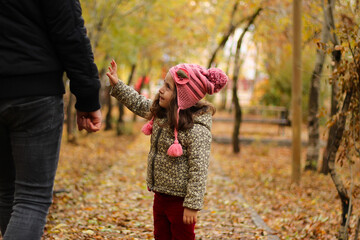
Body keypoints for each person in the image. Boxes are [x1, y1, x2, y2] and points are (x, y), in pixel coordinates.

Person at [0, 1, 102, 239]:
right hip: (35, 93)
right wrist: (87, 97)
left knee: (6, 192)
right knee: (31, 198)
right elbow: (70, 32)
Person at [107, 60, 228, 239]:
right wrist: (118, 85)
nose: (161, 89)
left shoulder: (197, 130)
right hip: (160, 196)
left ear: (183, 97)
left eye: (168, 87)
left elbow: (199, 169)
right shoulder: (161, 114)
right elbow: (139, 103)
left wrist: (192, 204)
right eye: (163, 84)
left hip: (180, 202)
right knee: (160, 236)